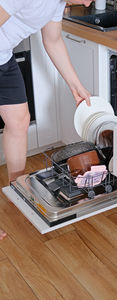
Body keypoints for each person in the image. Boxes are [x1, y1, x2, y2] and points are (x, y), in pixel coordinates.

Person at [0, 0, 93, 240]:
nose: (87, 3)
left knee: (19, 121)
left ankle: (17, 190)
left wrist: (77, 86)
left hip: (2, 57)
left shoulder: (56, 3)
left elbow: (53, 41)